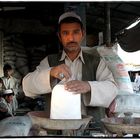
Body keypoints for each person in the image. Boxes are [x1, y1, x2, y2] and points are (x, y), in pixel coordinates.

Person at [22, 11, 118, 118]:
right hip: (58, 130)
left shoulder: (96, 62)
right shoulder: (49, 61)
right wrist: (50, 73)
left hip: (90, 128)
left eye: (76, 32)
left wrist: (89, 86)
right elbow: (27, 86)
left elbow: (112, 89)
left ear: (82, 34)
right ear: (59, 36)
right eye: (65, 33)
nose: (71, 38)